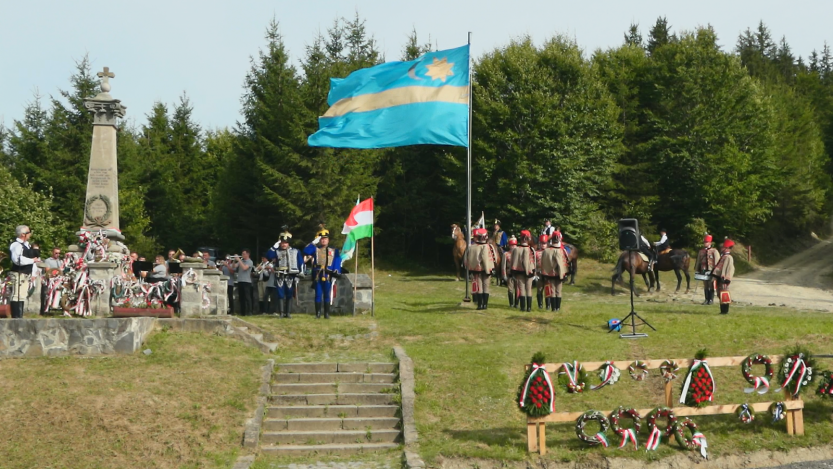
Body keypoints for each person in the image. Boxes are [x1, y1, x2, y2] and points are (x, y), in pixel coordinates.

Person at [303, 228, 342, 319]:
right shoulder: (315, 249)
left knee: (327, 295)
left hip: (328, 275)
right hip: (318, 275)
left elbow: (337, 260)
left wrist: (336, 270)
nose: (323, 240)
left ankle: (326, 314)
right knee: (318, 294)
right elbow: (306, 251)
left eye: (325, 238)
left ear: (328, 240)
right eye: (322, 239)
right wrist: (314, 242)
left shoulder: (334, 250)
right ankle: (318, 314)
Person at [267, 229, 305, 318]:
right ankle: (281, 313)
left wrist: (300, 274)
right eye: (282, 242)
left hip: (290, 275)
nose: (284, 244)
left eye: (286, 243)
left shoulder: (296, 251)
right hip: (279, 274)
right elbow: (268, 256)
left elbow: (301, 263)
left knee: (289, 293)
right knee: (280, 294)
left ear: (288, 243)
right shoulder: (276, 251)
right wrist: (274, 247)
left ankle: (288, 313)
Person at [9, 225, 40, 319]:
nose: (30, 234)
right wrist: (32, 260)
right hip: (18, 273)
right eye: (28, 232)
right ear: (23, 234)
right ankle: (16, 316)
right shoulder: (16, 245)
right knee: (17, 294)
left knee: (22, 295)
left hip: (25, 273)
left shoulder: (26, 245)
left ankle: (20, 316)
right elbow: (17, 259)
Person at [464, 228, 497, 310]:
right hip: (486, 269)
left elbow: (466, 259)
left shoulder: (471, 247)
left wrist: (470, 269)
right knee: (486, 287)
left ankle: (479, 305)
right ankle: (485, 305)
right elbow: (489, 259)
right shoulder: (487, 246)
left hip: (475, 270)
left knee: (479, 288)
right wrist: (489, 270)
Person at [541, 231, 569, 312]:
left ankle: (553, 308)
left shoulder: (546, 250)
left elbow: (543, 263)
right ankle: (558, 308)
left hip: (548, 273)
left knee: (552, 291)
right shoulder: (561, 251)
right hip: (559, 273)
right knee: (558, 291)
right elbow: (563, 264)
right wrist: (564, 274)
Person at [510, 230, 535, 312]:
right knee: (529, 289)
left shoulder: (516, 249)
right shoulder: (531, 249)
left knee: (522, 289)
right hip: (530, 271)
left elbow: (512, 261)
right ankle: (529, 307)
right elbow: (533, 261)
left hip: (518, 271)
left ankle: (523, 307)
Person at [712, 239, 735, 315]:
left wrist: (727, 278)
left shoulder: (728, 257)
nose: (721, 248)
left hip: (724, 279)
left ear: (727, 248)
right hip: (719, 278)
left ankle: (725, 311)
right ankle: (722, 310)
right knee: (720, 294)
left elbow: (730, 269)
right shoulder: (723, 257)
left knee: (724, 295)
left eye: (723, 247)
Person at [696, 234, 721, 305]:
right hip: (703, 270)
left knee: (711, 285)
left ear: (710, 243)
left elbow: (717, 261)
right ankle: (706, 299)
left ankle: (711, 300)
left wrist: (716, 271)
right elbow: (698, 261)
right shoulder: (701, 251)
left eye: (706, 242)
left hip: (711, 270)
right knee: (705, 285)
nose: (705, 243)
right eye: (704, 242)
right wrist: (697, 269)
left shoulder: (714, 251)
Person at [230, 250, 254, 315]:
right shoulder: (241, 261)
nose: (242, 255)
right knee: (241, 297)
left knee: (247, 297)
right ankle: (243, 312)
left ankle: (249, 312)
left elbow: (244, 268)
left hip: (247, 281)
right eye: (242, 254)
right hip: (240, 281)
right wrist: (234, 260)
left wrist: (239, 260)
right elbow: (233, 267)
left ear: (248, 254)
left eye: (244, 254)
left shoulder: (250, 262)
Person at [501, 236, 518, 307]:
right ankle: (511, 303)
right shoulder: (506, 254)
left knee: (518, 289)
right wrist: (504, 275)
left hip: (517, 274)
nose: (513, 247)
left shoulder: (519, 254)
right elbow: (503, 266)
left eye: (514, 245)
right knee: (510, 289)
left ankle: (516, 304)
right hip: (509, 274)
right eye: (511, 245)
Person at [535, 234, 548, 309]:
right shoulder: (536, 252)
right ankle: (540, 305)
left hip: (547, 274)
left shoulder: (549, 252)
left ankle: (548, 305)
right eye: (542, 243)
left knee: (548, 290)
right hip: (539, 273)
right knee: (539, 290)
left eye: (545, 243)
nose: (543, 245)